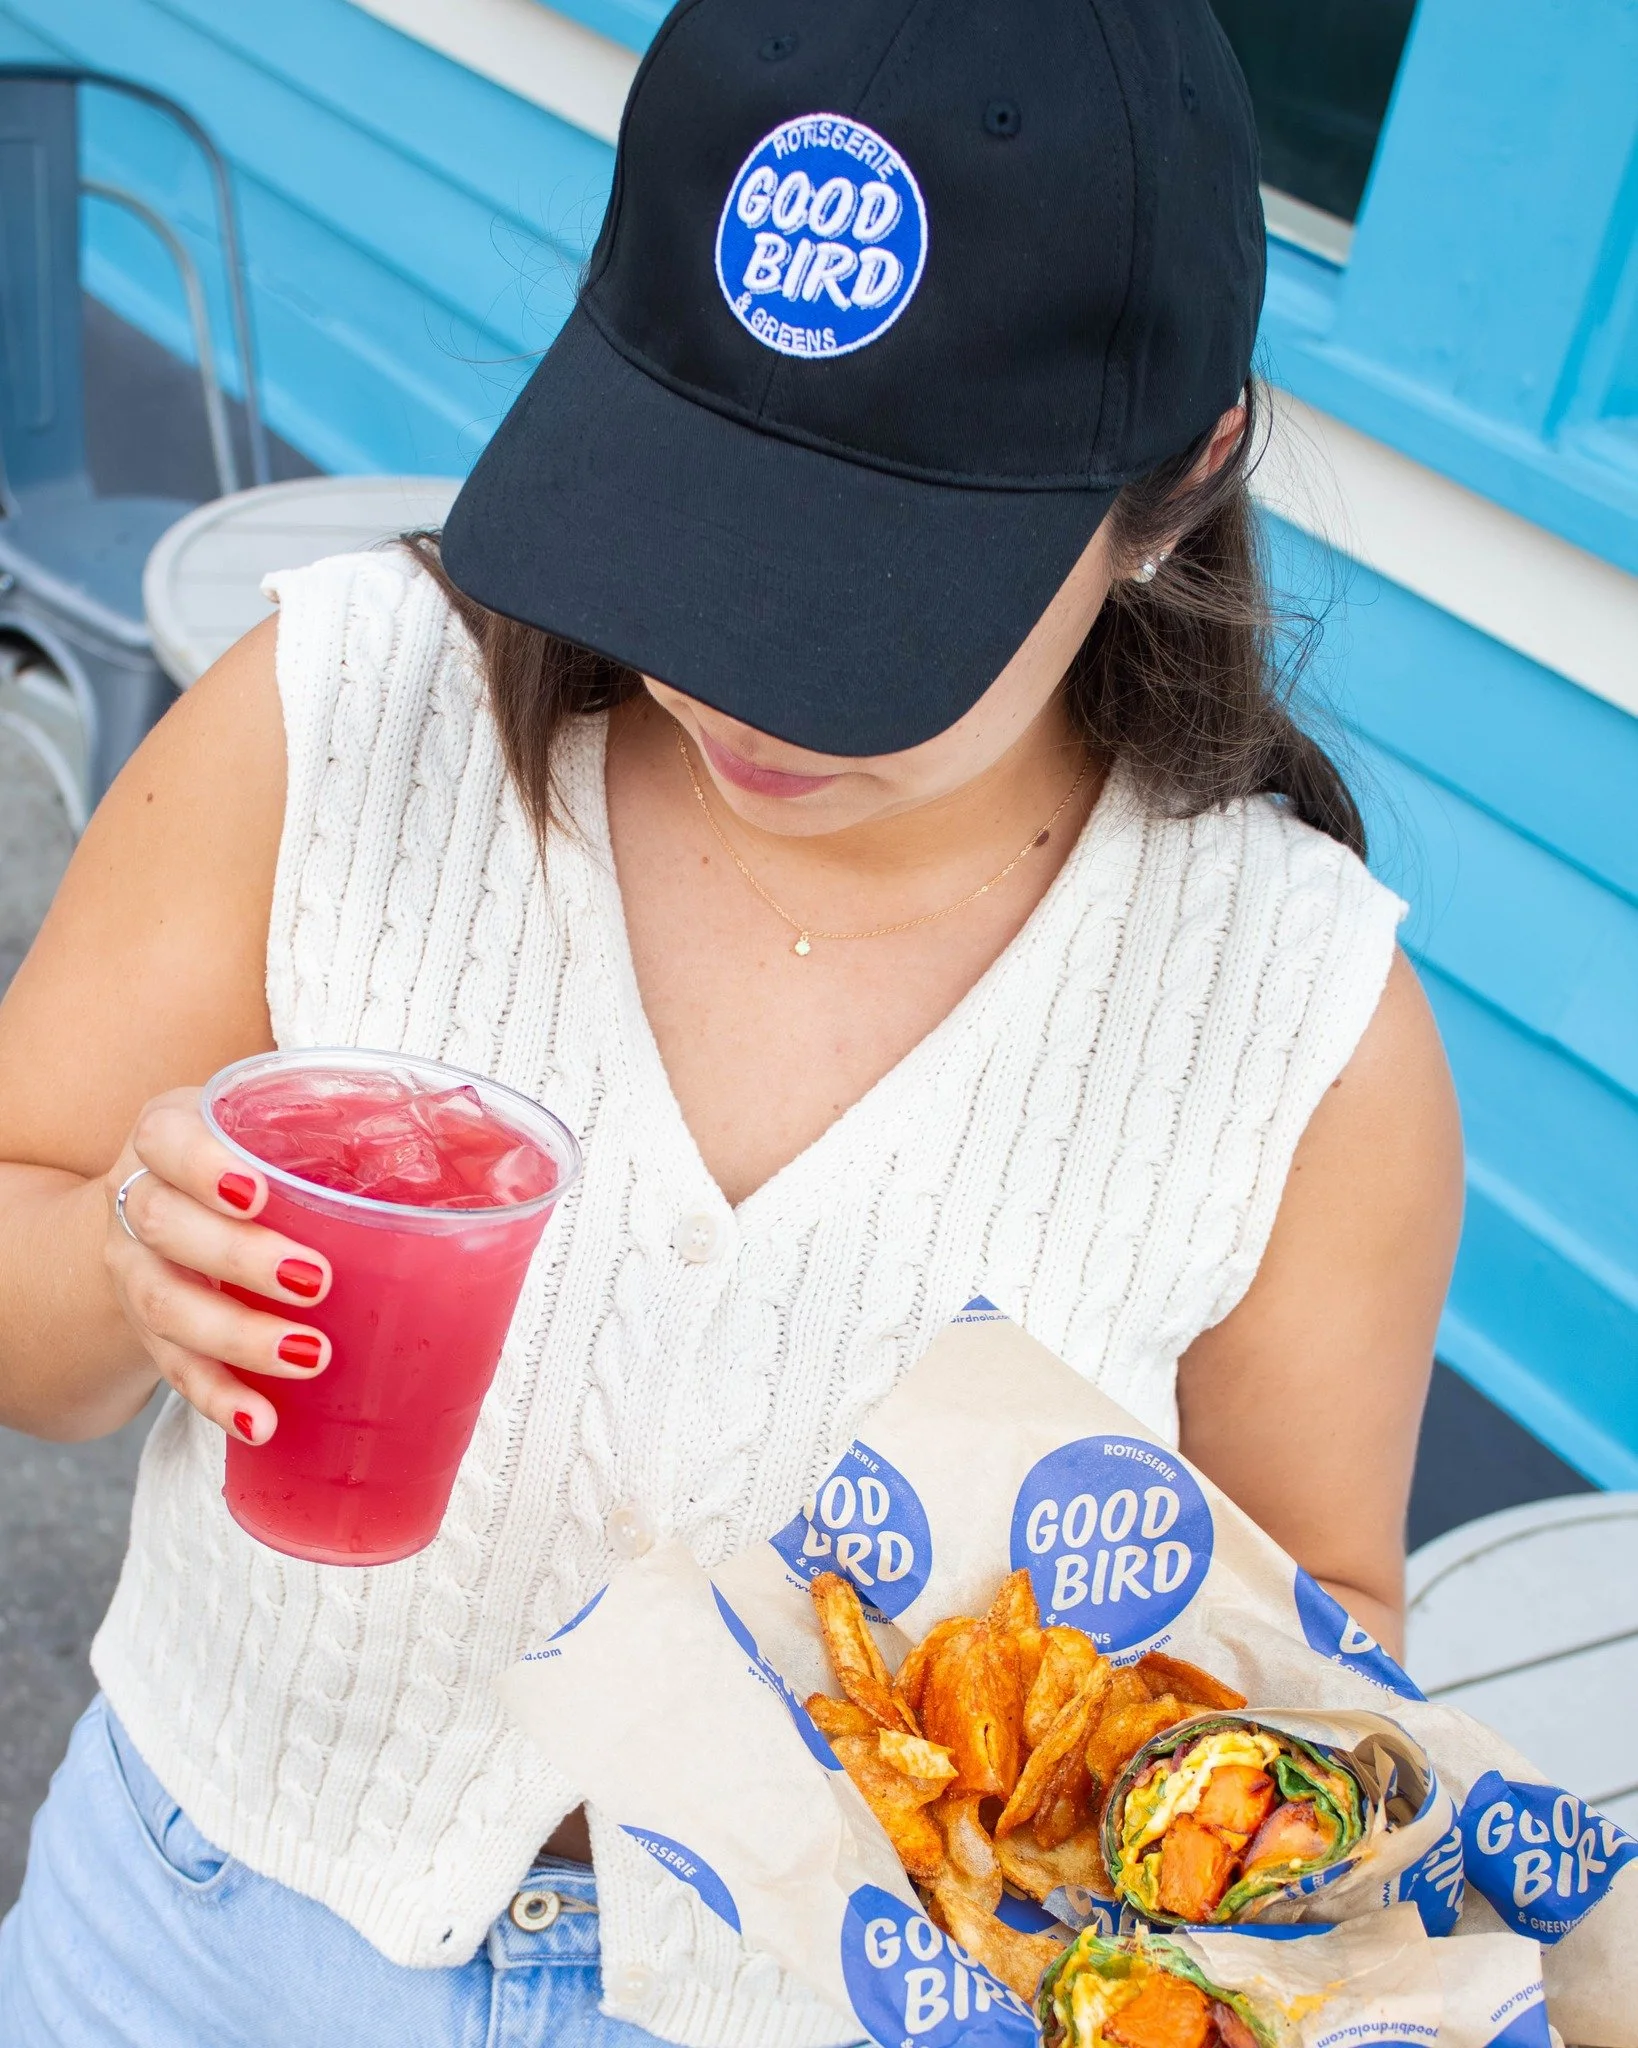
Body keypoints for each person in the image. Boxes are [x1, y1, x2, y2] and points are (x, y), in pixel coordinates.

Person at [0, 1, 1461, 2042]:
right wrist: (111, 1264)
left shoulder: (1303, 1027)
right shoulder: (338, 721)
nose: (736, 687)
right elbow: (24, 1259)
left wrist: (1097, 1766)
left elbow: (1321, 1648)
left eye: (877, 599)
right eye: (688, 517)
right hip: (191, 1935)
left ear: (1179, 477)